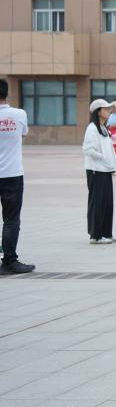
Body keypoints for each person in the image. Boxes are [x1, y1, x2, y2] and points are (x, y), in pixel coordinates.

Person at [0, 80, 33, 274]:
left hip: (12, 174)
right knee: (11, 219)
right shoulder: (19, 114)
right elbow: (23, 134)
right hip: (12, 174)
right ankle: (9, 261)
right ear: (7, 93)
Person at [82, 99, 116, 244]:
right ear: (98, 112)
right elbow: (88, 149)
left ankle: (106, 233)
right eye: (106, 109)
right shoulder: (92, 128)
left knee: (107, 203)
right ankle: (96, 236)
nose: (109, 111)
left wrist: (110, 163)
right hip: (96, 170)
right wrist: (103, 158)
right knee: (97, 203)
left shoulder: (103, 128)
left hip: (105, 170)